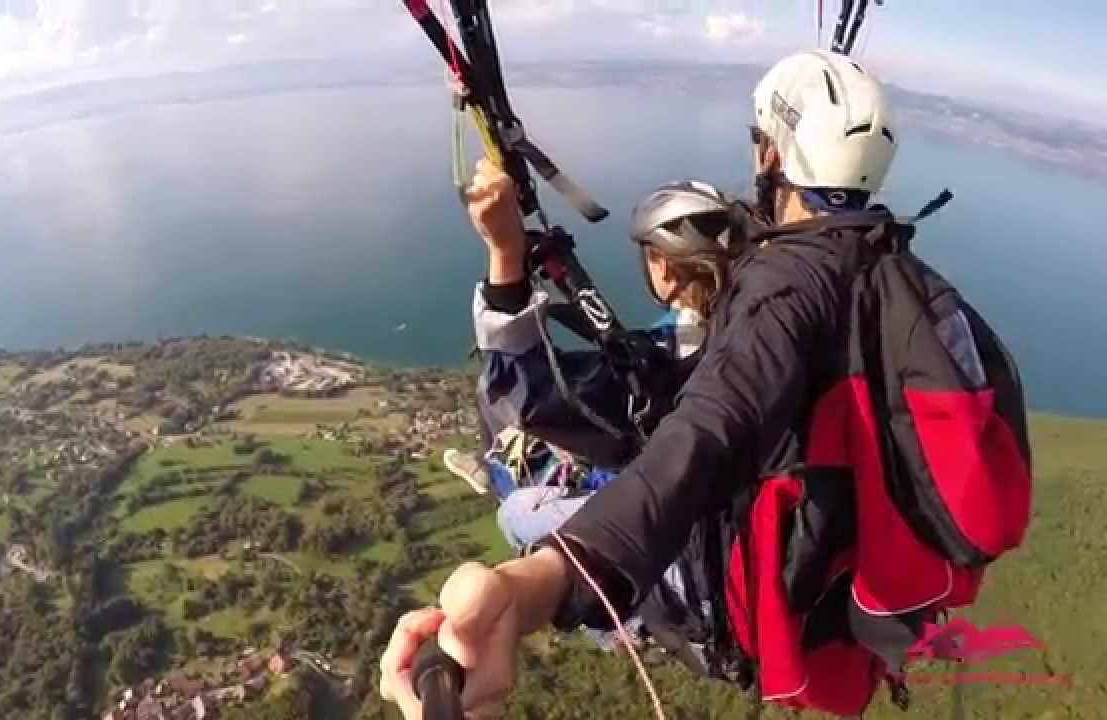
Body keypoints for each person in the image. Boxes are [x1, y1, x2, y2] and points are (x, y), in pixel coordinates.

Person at [380, 49, 904, 719]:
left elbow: (528, 396)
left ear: (664, 270)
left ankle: (600, 600)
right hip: (788, 564)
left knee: (519, 504)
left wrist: (505, 254)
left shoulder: (670, 371)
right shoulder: (847, 314)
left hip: (687, 569)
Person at [442, 178, 749, 558]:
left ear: (665, 270)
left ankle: (503, 476)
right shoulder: (752, 332)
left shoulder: (665, 362)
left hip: (671, 536)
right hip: (708, 501)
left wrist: (504, 251)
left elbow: (522, 391)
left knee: (515, 512)